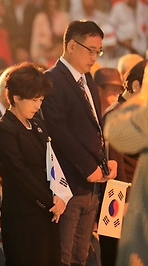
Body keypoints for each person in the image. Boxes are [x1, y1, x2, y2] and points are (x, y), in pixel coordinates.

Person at [40, 20, 117, 266]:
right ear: (71, 45)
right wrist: (87, 168)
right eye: (90, 50)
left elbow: (96, 127)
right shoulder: (52, 79)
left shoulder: (88, 79)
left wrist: (105, 162)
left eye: (99, 51)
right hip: (68, 185)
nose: (95, 57)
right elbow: (58, 131)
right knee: (63, 257)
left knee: (80, 258)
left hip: (92, 184)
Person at [0, 62, 65, 265]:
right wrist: (50, 202)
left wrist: (60, 195)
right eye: (33, 100)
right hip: (24, 215)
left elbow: (51, 163)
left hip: (48, 213)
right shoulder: (4, 129)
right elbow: (19, 174)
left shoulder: (38, 124)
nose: (38, 105)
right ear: (16, 98)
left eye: (40, 100)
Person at [103, 62, 148, 266]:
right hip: (123, 196)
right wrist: (125, 199)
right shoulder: (119, 112)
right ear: (137, 85)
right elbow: (115, 158)